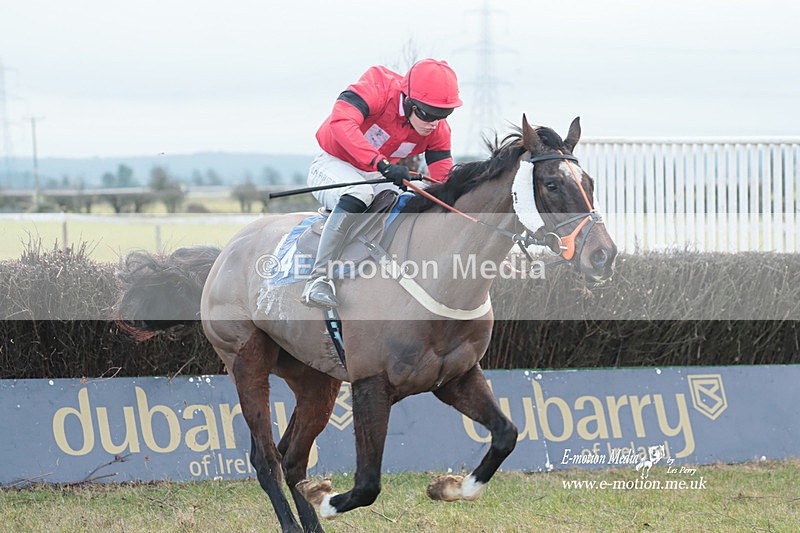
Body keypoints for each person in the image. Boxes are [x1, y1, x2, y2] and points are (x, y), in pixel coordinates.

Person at [301, 58, 463, 308]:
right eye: (429, 114)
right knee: (359, 193)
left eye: (444, 115)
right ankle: (318, 279)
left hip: (375, 172)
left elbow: (443, 183)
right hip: (333, 163)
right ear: (408, 101)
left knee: (409, 202)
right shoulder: (377, 86)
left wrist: (469, 228)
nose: (434, 122)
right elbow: (341, 122)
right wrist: (382, 164)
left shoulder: (437, 130)